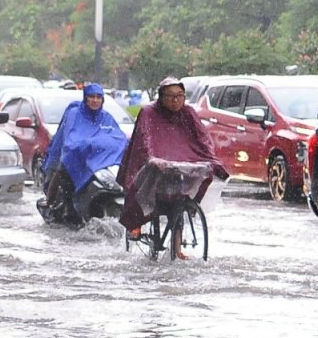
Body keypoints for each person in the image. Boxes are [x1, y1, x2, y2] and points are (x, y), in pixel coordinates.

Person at [119, 76, 225, 245]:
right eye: (171, 96)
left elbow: (202, 138)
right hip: (154, 164)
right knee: (142, 191)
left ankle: (177, 245)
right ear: (161, 97)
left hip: (181, 164)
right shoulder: (149, 112)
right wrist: (152, 158)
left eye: (180, 96)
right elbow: (146, 139)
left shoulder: (188, 113)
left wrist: (212, 160)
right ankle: (135, 224)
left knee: (180, 201)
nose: (176, 100)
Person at [38, 83, 129, 224]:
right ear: (85, 98)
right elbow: (71, 138)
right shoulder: (75, 114)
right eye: (91, 97)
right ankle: (51, 200)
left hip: (99, 161)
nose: (95, 100)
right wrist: (85, 144)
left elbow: (118, 137)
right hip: (77, 156)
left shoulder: (106, 117)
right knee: (63, 167)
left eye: (98, 97)